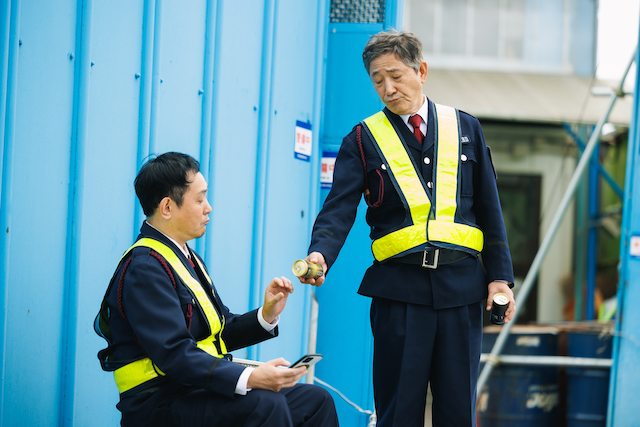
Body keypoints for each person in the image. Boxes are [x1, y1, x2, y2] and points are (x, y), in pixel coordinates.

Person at [298, 30, 516, 427]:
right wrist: (320, 253)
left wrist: (500, 279)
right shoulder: (362, 140)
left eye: (396, 75)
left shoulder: (466, 128)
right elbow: (338, 208)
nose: (388, 87)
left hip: (461, 289)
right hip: (399, 293)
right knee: (399, 411)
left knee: (459, 412)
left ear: (422, 71)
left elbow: (490, 206)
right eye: (378, 80)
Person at [95, 152, 339, 427]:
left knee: (315, 400)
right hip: (158, 402)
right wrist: (249, 377)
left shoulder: (185, 257)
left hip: (194, 389)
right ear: (167, 207)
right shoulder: (145, 267)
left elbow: (215, 334)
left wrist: (266, 315)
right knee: (265, 404)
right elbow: (174, 353)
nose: (208, 207)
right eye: (199, 199)